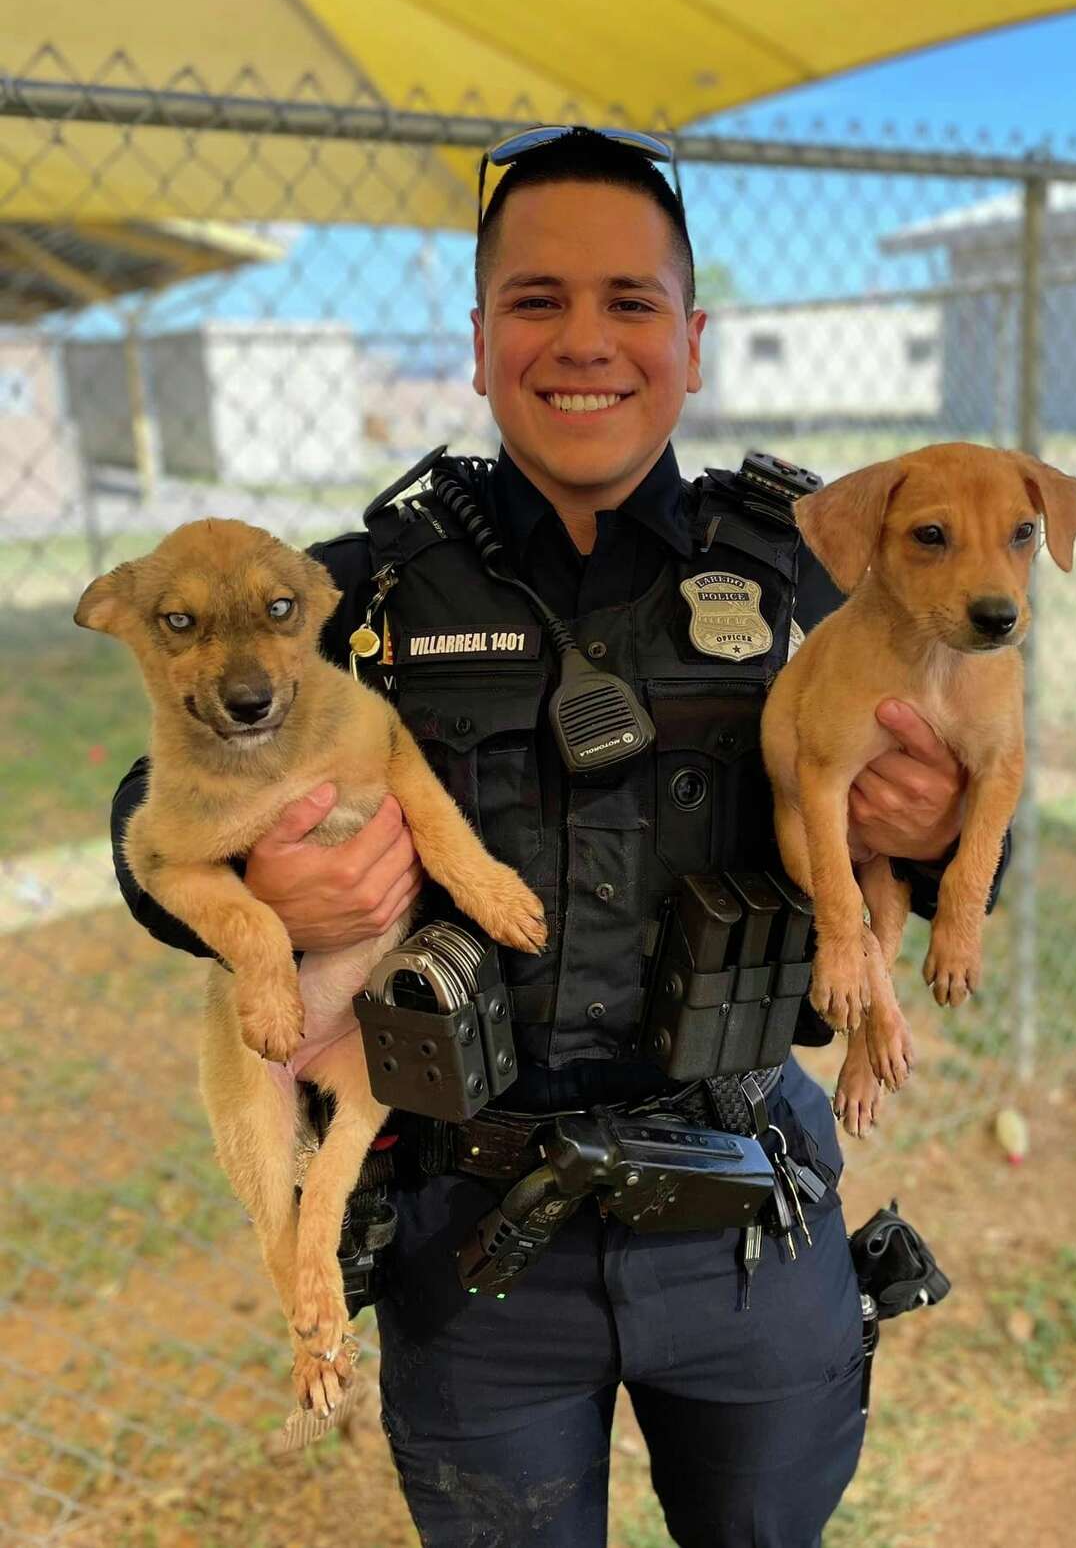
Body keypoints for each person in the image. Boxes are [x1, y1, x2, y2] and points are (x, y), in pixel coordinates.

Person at [111, 127, 1006, 1548]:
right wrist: (257, 881)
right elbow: (156, 795)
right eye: (536, 302)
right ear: (477, 342)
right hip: (473, 1245)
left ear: (694, 341)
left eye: (630, 302)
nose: (583, 340)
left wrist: (954, 827)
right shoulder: (356, 591)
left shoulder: (801, 571)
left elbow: (971, 768)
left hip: (745, 1217)